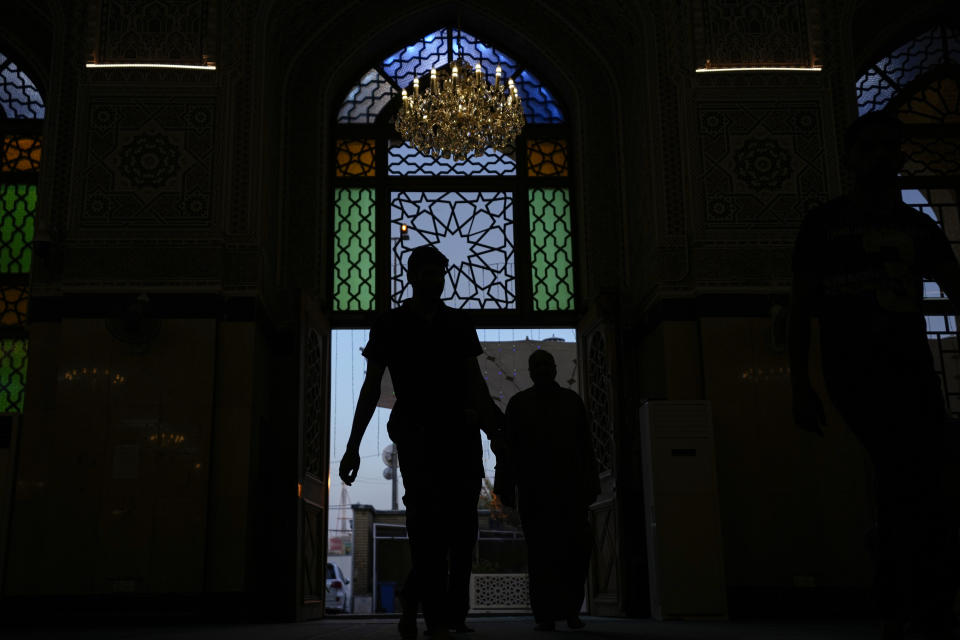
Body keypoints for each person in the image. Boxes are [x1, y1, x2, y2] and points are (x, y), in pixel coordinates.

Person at [789, 111, 960, 640]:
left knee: (911, 483)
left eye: (891, 148)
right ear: (852, 158)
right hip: (856, 370)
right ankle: (912, 597)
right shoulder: (825, 225)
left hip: (909, 366)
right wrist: (801, 383)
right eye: (873, 148)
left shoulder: (915, 228)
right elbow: (801, 309)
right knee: (909, 478)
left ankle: (910, 597)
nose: (883, 157)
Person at [339, 245, 504, 640]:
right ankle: (435, 614)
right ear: (412, 278)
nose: (435, 280)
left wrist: (495, 431)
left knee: (459, 530)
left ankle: (428, 607)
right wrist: (351, 445)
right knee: (432, 530)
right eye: (428, 273)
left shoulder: (456, 324)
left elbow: (476, 384)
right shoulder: (392, 324)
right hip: (421, 437)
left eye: (439, 273)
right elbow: (370, 387)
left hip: (455, 438)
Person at [496, 349, 600, 632]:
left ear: (552, 369)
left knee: (566, 553)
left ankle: (561, 612)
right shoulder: (558, 402)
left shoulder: (537, 403)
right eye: (537, 365)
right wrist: (504, 487)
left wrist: (505, 488)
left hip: (558, 490)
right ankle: (555, 613)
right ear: (533, 371)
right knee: (545, 555)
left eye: (545, 365)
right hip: (544, 491)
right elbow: (508, 452)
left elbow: (585, 448)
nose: (541, 369)